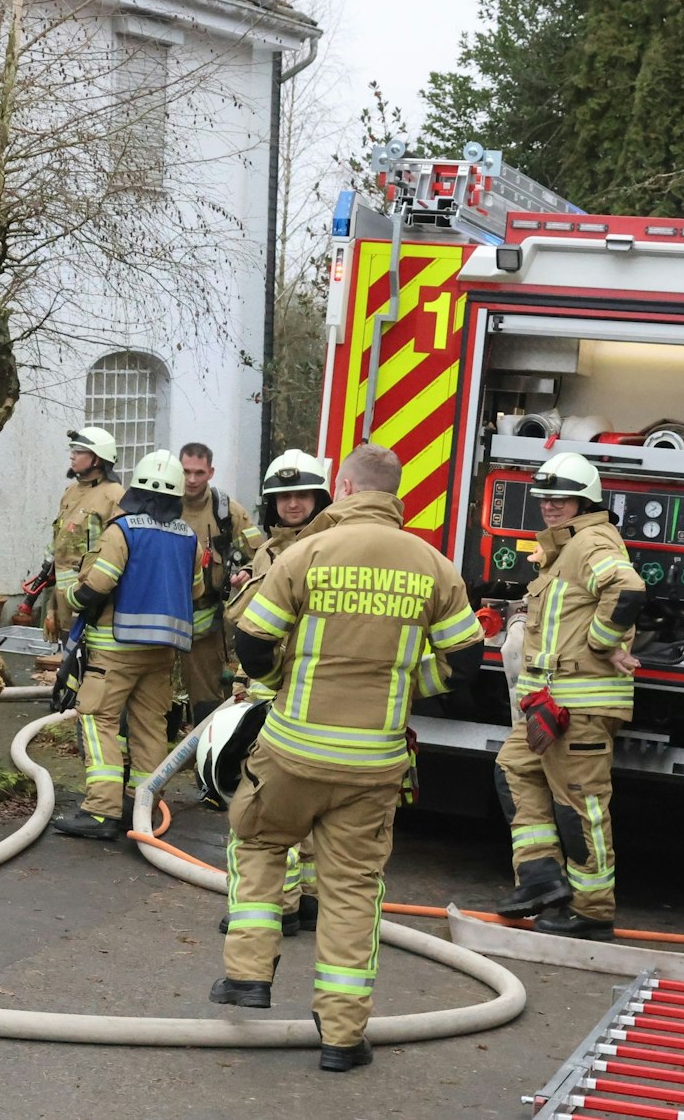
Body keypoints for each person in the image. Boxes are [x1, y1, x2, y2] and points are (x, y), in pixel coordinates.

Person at [213, 444, 484, 1074]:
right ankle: (340, 1038)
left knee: (257, 840)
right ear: (396, 496)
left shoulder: (306, 553)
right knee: (353, 890)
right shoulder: (434, 567)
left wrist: (282, 674)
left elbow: (251, 640)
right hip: (374, 763)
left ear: (342, 487)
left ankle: (247, 977)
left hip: (293, 749)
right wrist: (412, 684)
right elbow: (465, 662)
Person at [493, 452, 645, 939]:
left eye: (561, 498)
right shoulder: (567, 548)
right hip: (550, 707)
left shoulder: (592, 541)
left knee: (582, 808)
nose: (550, 506)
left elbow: (628, 589)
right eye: (544, 497)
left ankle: (592, 911)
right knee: (513, 769)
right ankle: (540, 879)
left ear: (585, 501)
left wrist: (604, 642)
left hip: (578, 708)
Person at [212, 449, 333, 938]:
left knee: (269, 805)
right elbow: (253, 627)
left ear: (319, 498)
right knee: (288, 801)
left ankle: (281, 905)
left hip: (303, 691)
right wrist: (242, 681)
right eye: (283, 496)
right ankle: (306, 899)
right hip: (267, 692)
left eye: (302, 494)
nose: (292, 504)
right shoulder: (266, 552)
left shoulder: (329, 546)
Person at [49, 450, 198, 839]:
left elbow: (98, 584)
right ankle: (142, 806)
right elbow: (196, 589)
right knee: (150, 727)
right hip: (163, 653)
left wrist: (74, 601)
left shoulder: (123, 530)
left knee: (98, 720)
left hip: (114, 650)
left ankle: (100, 811)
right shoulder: (188, 537)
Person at [178, 443, 265, 726]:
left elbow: (261, 555)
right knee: (156, 693)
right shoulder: (162, 502)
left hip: (205, 625)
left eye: (199, 472)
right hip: (163, 618)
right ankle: (156, 759)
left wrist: (248, 571)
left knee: (206, 694)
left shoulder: (226, 511)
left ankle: (203, 752)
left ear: (211, 472)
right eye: (186, 471)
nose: (191, 480)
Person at [46, 427, 126, 639]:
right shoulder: (70, 492)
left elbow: (118, 550)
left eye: (80, 451)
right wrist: (51, 606)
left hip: (92, 602)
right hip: (63, 602)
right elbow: (59, 550)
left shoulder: (114, 495)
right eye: (72, 450)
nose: (72, 455)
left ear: (97, 459)